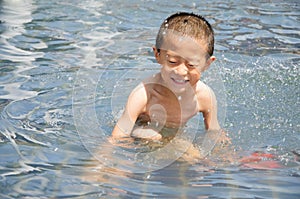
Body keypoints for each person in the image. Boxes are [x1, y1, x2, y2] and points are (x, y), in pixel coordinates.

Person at [111, 12, 225, 144]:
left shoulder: (204, 96)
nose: (181, 71)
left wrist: (225, 156)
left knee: (189, 152)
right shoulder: (144, 95)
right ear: (157, 55)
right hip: (141, 132)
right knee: (151, 136)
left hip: (175, 135)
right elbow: (117, 137)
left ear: (207, 64)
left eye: (191, 65)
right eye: (172, 61)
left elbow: (214, 132)